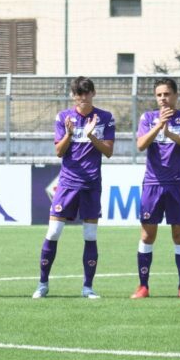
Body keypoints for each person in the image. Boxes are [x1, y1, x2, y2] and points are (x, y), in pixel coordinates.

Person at [35, 76, 115, 299]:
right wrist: (70, 134)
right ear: (73, 96)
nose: (82, 99)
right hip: (68, 184)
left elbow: (108, 151)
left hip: (91, 185)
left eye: (86, 94)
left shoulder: (105, 118)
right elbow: (59, 152)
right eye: (78, 95)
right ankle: (42, 284)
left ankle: (88, 287)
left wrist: (91, 136)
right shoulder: (63, 117)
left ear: (93, 94)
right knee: (53, 232)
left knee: (90, 235)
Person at [132, 77, 180, 299]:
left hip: (177, 185)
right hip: (152, 184)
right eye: (159, 95)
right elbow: (140, 145)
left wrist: (170, 134)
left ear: (175, 96)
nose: (163, 98)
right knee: (147, 235)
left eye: (167, 94)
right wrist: (160, 126)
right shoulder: (148, 118)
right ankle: (143, 286)